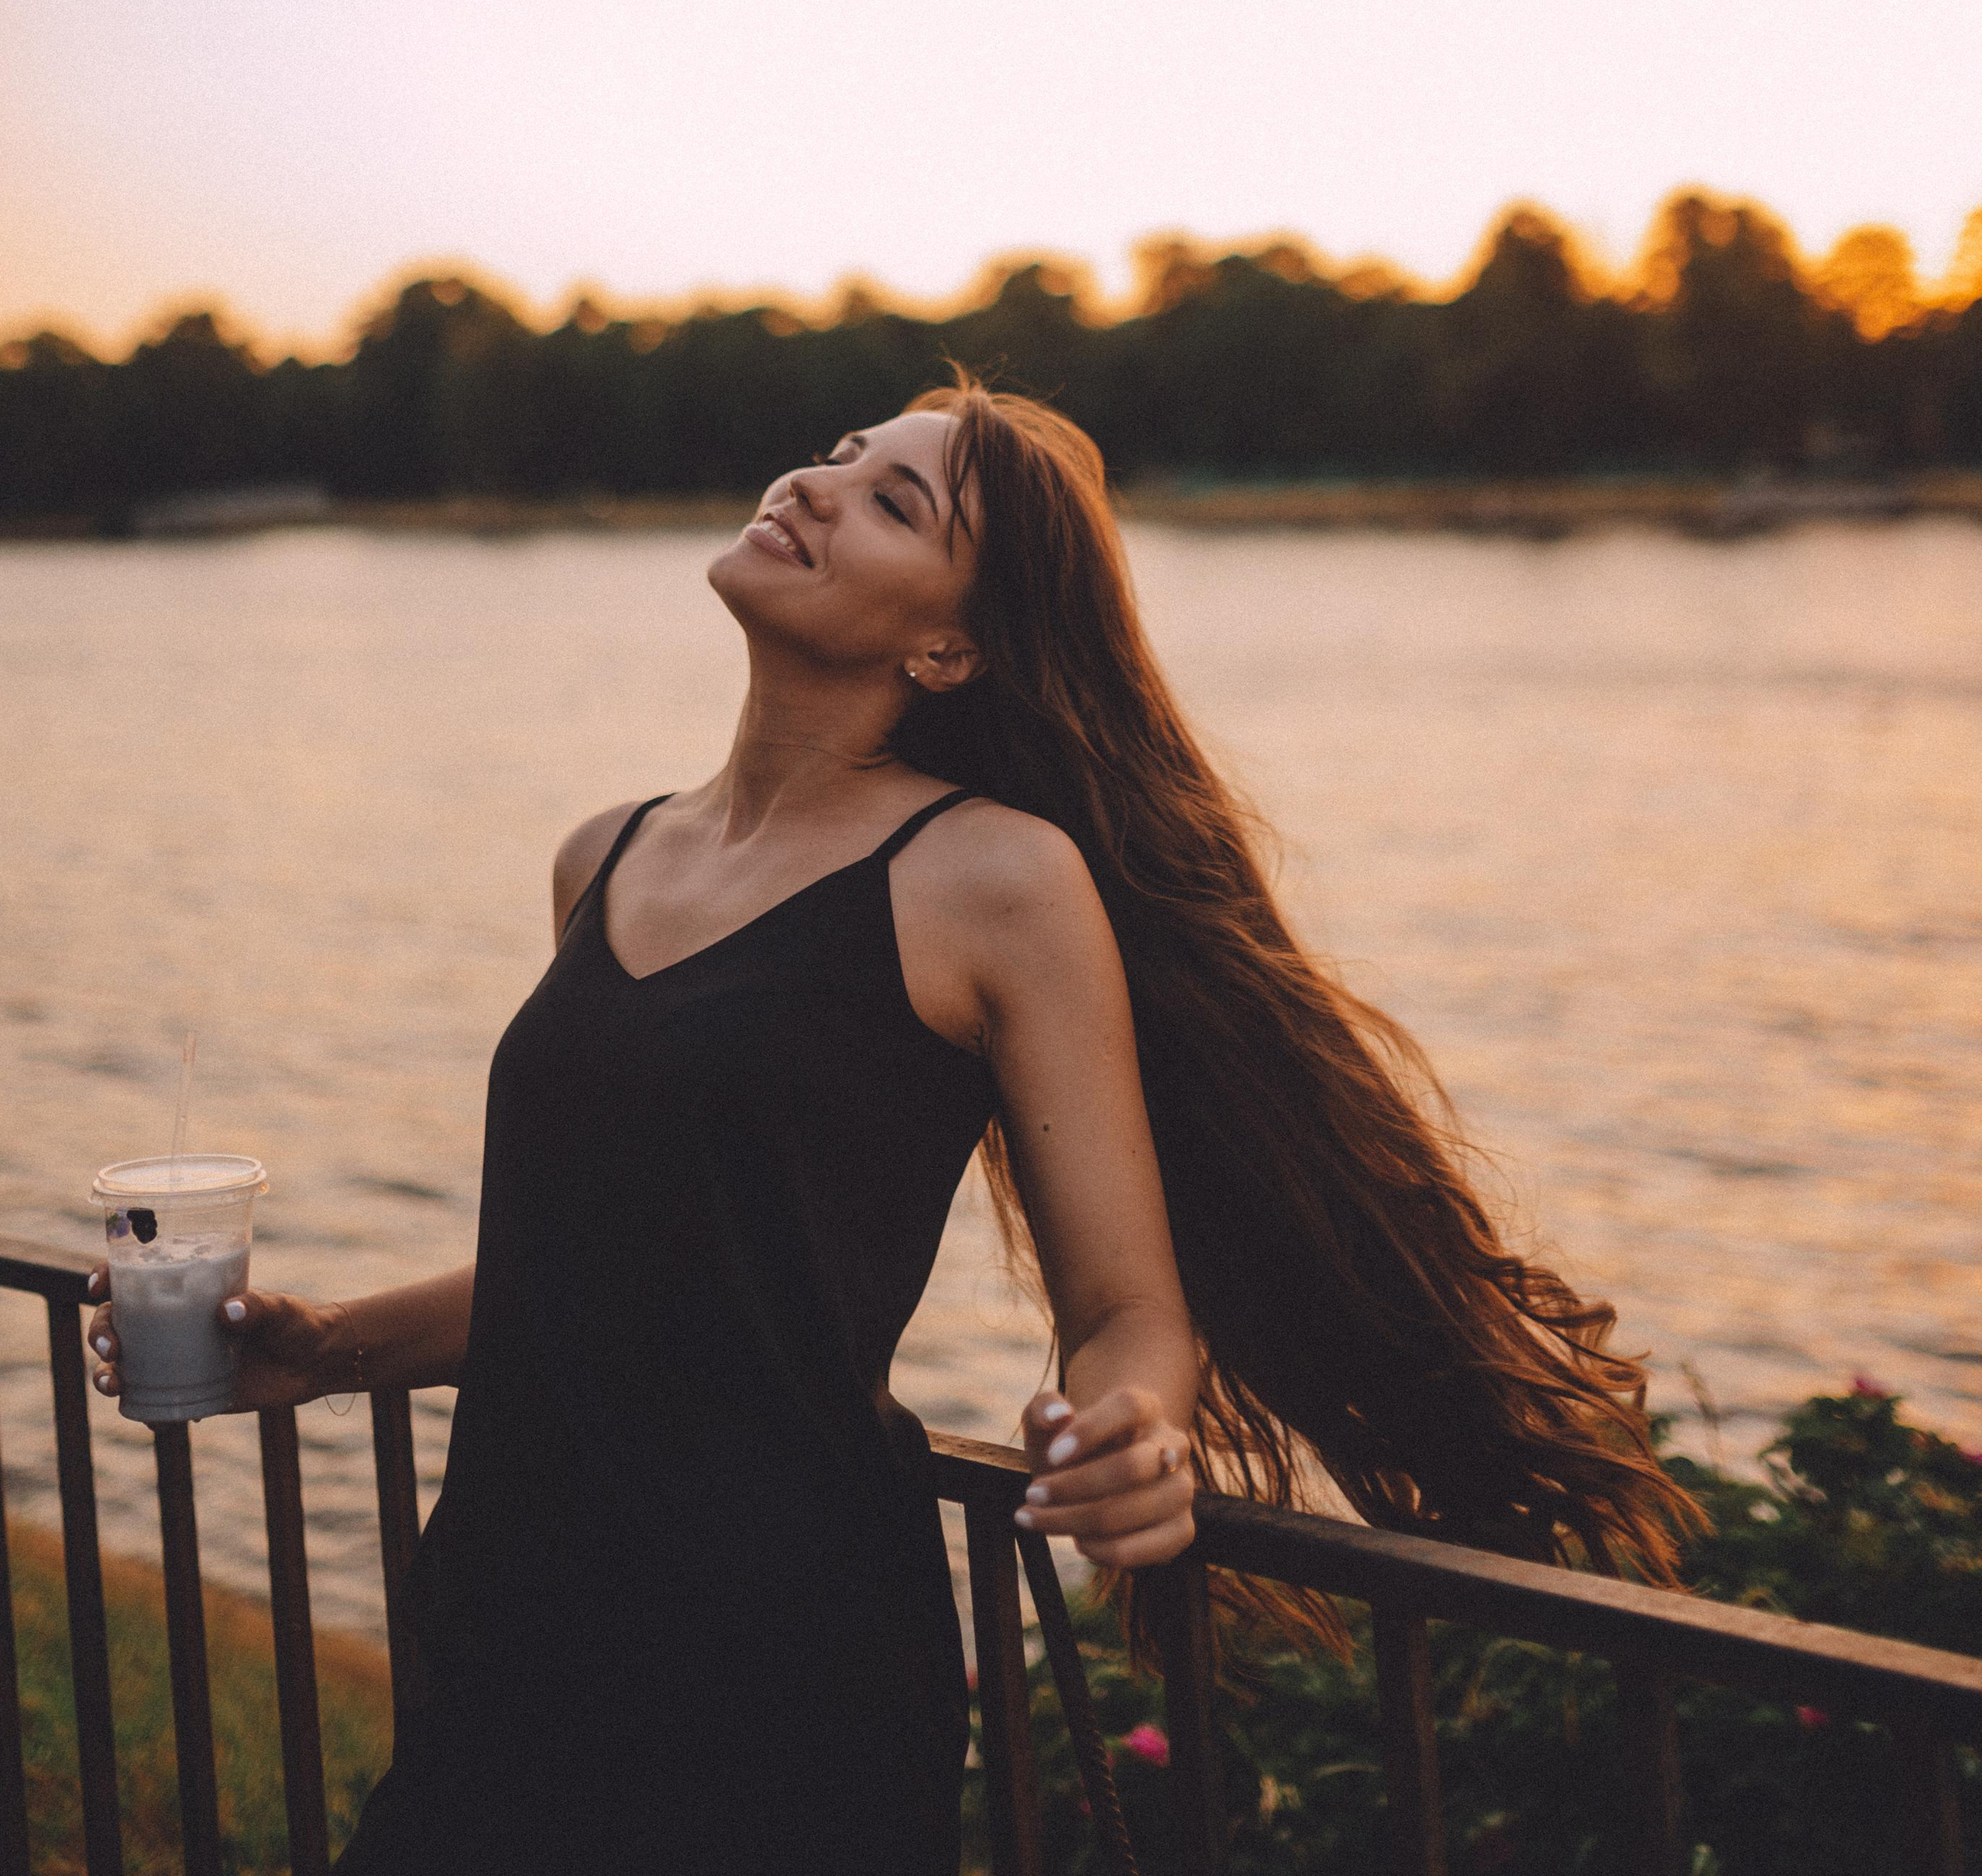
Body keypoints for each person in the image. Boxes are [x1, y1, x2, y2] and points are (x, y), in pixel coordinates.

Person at [86, 378, 1691, 1873]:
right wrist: (326, 1348)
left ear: (950, 649)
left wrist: (1132, 1431)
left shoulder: (991, 879)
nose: (818, 483)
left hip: (775, 1664)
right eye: (844, 455)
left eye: (895, 502)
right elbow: (600, 1273)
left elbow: (1125, 1307)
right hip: (506, 1626)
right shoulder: (602, 854)